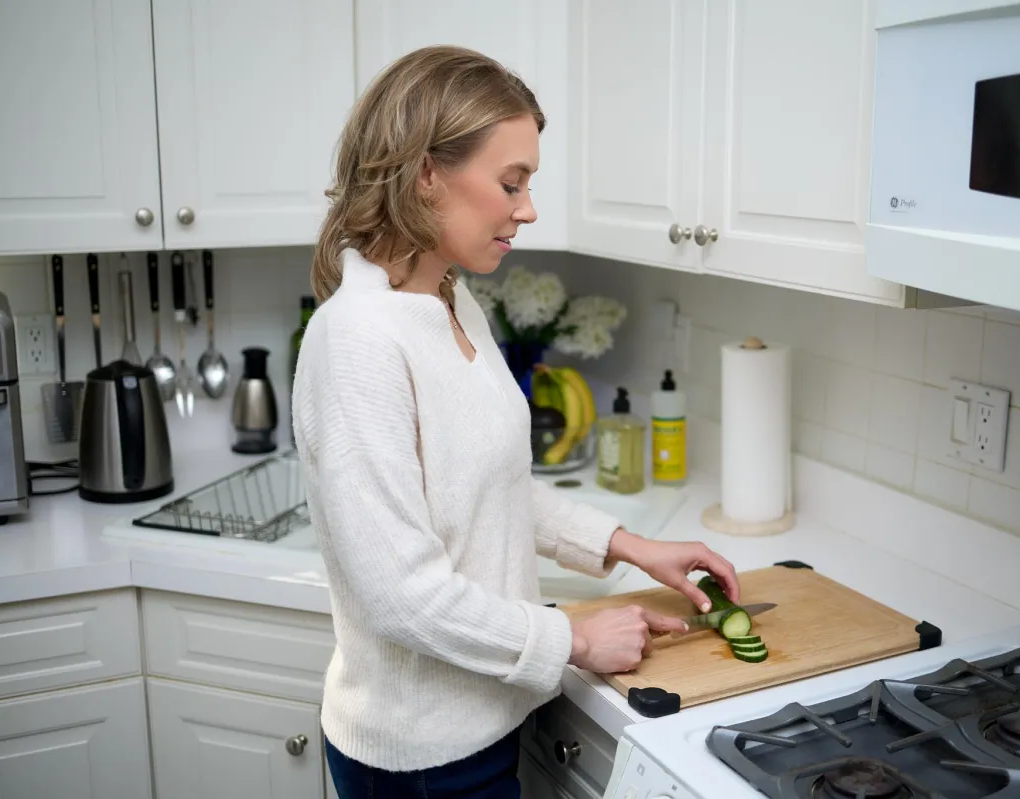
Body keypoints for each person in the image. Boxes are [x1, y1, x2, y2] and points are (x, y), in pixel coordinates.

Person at [292, 45, 742, 799]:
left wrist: (630, 546)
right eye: (512, 182)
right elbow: (403, 596)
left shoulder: (448, 298)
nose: (527, 208)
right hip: (423, 760)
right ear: (425, 172)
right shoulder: (358, 340)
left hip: (488, 720)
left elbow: (485, 483)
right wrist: (575, 638)